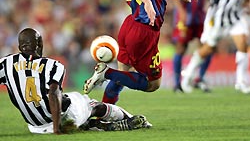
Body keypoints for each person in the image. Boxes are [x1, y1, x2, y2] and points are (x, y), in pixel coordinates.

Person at [84, 0, 199, 104]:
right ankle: (105, 73)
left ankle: (103, 114)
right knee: (153, 84)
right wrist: (148, 3)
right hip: (144, 32)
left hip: (130, 25)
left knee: (122, 77)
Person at [0, 28, 151, 134]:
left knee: (74, 104)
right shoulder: (53, 65)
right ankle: (131, 120)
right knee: (92, 105)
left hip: (35, 127)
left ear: (20, 46)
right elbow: (53, 93)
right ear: (40, 45)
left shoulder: (5, 64)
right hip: (59, 121)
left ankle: (94, 125)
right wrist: (56, 129)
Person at [171, 0, 212, 93]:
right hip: (185, 16)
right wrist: (181, 12)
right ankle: (177, 84)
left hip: (201, 16)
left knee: (208, 46)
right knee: (181, 48)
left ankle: (199, 78)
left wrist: (209, 5)